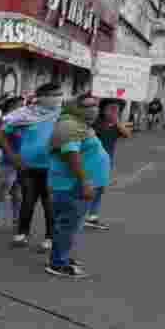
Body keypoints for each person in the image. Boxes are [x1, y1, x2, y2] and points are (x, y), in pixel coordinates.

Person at [0, 83, 63, 252]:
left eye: (59, 94)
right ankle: (22, 234)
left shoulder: (62, 113)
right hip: (27, 166)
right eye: (54, 94)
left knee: (50, 202)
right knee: (28, 199)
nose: (58, 97)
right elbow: (0, 132)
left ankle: (50, 238)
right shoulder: (24, 114)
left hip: (53, 166)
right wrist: (12, 155)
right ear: (42, 97)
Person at [47, 94, 108, 278]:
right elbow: (71, 154)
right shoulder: (70, 125)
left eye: (96, 105)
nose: (94, 109)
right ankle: (58, 263)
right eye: (88, 106)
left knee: (68, 224)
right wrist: (85, 180)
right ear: (75, 107)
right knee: (68, 225)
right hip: (72, 184)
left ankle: (61, 257)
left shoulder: (77, 124)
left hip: (73, 184)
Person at [85, 98, 131, 231]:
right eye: (111, 108)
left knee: (99, 188)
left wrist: (116, 122)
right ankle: (84, 214)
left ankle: (92, 216)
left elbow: (127, 134)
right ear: (103, 110)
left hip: (106, 161)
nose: (114, 111)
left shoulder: (117, 126)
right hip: (90, 160)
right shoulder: (95, 124)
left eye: (117, 109)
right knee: (89, 186)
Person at [0, 96, 24, 234]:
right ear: (11, 107)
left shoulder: (23, 121)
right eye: (20, 105)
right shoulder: (7, 121)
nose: (23, 107)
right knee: (3, 193)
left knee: (17, 194)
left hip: (20, 163)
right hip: (8, 163)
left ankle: (17, 221)